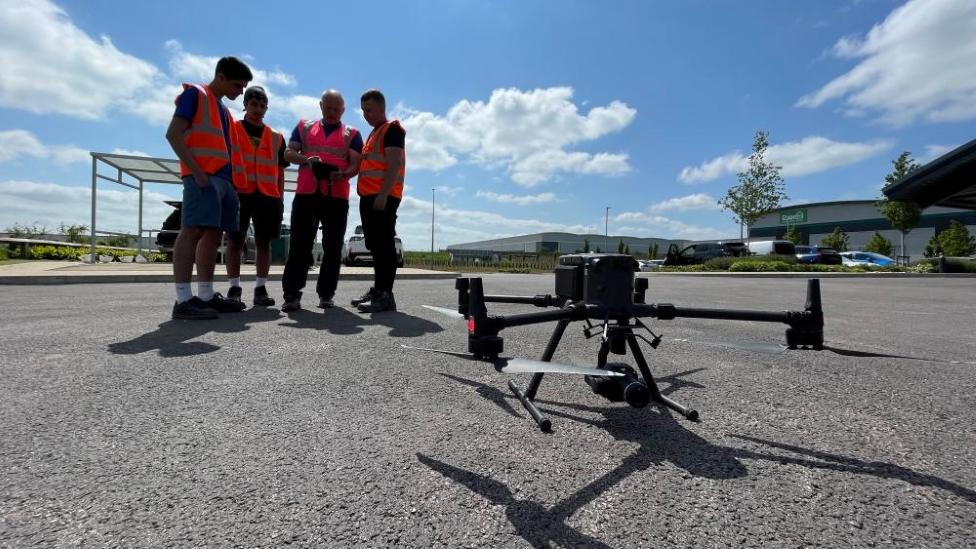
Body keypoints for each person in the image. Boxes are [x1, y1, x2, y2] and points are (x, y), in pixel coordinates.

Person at [165, 56, 251, 320]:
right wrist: (197, 172)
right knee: (192, 231)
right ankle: (183, 300)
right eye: (238, 86)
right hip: (203, 177)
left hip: (224, 181)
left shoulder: (224, 110)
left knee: (213, 235)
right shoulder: (196, 95)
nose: (241, 91)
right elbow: (173, 134)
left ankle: (205, 295)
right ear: (221, 77)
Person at [280, 89, 363, 312]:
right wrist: (306, 159)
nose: (332, 112)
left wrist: (344, 174)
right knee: (299, 245)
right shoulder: (304, 127)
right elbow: (288, 153)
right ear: (320, 106)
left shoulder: (352, 133)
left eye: (337, 109)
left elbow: (357, 163)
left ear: (343, 110)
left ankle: (326, 294)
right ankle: (291, 295)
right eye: (328, 108)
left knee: (333, 247)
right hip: (307, 193)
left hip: (336, 196)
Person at [225, 86, 288, 307]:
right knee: (235, 242)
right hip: (238, 193)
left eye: (263, 106)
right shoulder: (232, 129)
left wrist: (280, 198)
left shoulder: (276, 137)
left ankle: (260, 288)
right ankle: (234, 288)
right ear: (245, 105)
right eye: (254, 104)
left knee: (263, 243)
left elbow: (280, 170)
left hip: (268, 196)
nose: (258, 109)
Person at [352, 89, 405, 314]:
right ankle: (378, 289)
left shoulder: (392, 129)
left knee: (384, 246)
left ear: (382, 108)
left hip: (383, 197)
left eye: (369, 110)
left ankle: (385, 295)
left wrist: (383, 194)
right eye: (363, 110)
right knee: (376, 246)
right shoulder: (374, 133)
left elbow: (393, 165)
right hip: (370, 197)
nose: (365, 114)